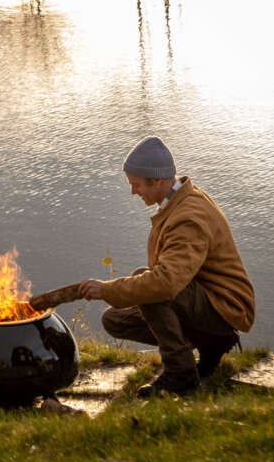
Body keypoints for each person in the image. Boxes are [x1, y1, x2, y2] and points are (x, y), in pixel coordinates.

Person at [77, 135, 255, 397]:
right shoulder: (178, 200)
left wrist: (106, 289)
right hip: (202, 299)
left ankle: (181, 372)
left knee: (149, 283)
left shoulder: (188, 217)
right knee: (115, 320)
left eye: (137, 184)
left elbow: (165, 283)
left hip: (225, 307)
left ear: (157, 181)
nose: (133, 191)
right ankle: (211, 344)